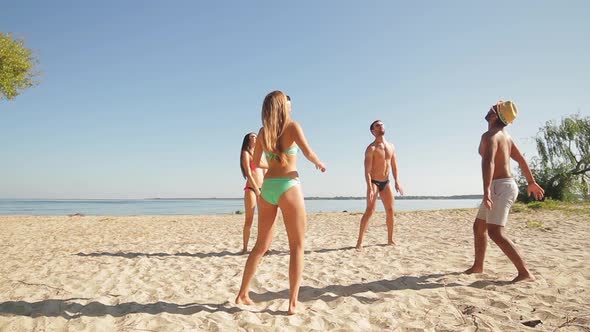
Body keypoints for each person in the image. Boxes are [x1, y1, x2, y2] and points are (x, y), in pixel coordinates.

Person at [235, 91, 326, 315]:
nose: (291, 106)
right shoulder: (293, 126)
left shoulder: (263, 132)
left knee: (260, 246)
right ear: (282, 107)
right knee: (296, 246)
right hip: (288, 185)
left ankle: (242, 293)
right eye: (288, 103)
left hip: (268, 189)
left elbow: (256, 163)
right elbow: (308, 152)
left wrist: (274, 160)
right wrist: (319, 163)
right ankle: (292, 303)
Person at [464, 101, 544, 282]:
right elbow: (521, 159)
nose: (488, 108)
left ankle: (525, 273)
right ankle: (478, 266)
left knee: (495, 232)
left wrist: (486, 192)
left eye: (492, 107)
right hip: (500, 186)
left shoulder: (491, 135)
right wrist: (531, 182)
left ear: (494, 115)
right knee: (479, 227)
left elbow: (489, 162)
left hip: (500, 187)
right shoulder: (505, 137)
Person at [356, 120, 404, 250]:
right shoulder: (371, 148)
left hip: (386, 182)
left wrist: (397, 181)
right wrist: (370, 187)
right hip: (374, 182)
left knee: (390, 210)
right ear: (373, 131)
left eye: (382, 124)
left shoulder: (391, 146)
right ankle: (359, 241)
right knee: (370, 210)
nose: (381, 126)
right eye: (377, 125)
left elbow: (394, 165)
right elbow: (367, 171)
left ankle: (390, 239)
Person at [239, 132, 266, 254]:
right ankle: (245, 248)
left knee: (264, 219)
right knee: (249, 219)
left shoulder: (261, 154)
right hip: (251, 189)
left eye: (256, 136)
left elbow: (266, 172)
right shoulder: (246, 153)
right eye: (252, 136)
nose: (255, 138)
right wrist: (256, 189)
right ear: (247, 139)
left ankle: (263, 246)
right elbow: (249, 174)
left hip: (263, 189)